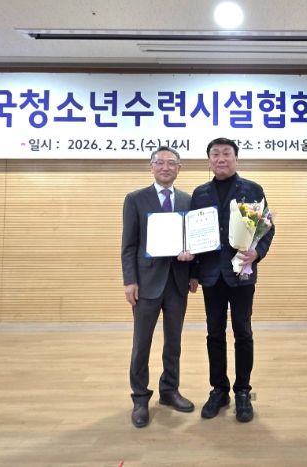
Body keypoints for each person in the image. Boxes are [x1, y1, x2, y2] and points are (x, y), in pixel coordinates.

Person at [190, 137, 275, 423]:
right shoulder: (200, 194)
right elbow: (193, 235)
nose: (221, 158)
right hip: (211, 275)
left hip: (241, 273)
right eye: (215, 154)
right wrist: (193, 274)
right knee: (214, 333)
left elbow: (267, 228)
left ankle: (242, 391)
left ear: (236, 158)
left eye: (226, 153)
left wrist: (257, 252)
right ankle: (219, 389)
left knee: (243, 332)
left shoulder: (252, 189)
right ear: (209, 160)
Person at [121, 146, 198, 428]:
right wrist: (129, 280)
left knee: (173, 342)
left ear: (179, 168)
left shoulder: (188, 200)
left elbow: (194, 240)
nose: (166, 167)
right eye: (160, 162)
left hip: (177, 282)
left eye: (171, 163)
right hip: (146, 284)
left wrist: (194, 272)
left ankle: (169, 390)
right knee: (141, 343)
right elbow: (129, 245)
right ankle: (140, 397)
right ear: (151, 166)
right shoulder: (135, 199)